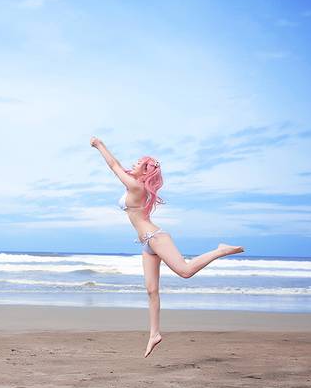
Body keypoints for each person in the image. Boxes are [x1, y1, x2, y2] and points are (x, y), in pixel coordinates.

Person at [90, 136, 245, 358]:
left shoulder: (135, 186)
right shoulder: (135, 184)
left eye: (139, 163)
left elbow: (114, 165)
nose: (135, 163)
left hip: (156, 237)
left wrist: (99, 145)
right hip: (146, 243)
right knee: (151, 290)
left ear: (145, 172)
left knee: (185, 271)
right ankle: (154, 334)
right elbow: (119, 166)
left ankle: (220, 250)